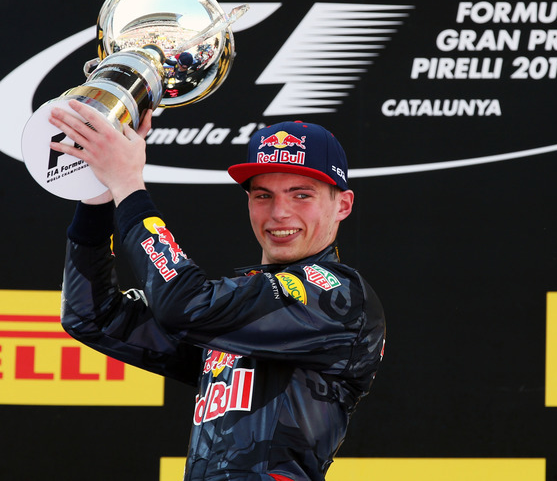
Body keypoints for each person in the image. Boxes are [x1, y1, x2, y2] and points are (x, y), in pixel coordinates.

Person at [50, 100, 385, 481]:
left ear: (343, 204)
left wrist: (128, 184)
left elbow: (185, 305)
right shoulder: (238, 306)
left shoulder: (340, 297)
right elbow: (93, 316)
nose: (279, 213)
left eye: (301, 194)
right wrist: (99, 194)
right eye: (263, 195)